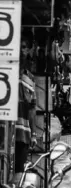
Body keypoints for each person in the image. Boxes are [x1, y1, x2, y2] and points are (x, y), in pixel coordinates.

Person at [15, 37, 37, 173]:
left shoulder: (30, 78)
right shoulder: (6, 73)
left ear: (29, 50)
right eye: (19, 47)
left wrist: (34, 134)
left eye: (24, 47)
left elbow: (32, 108)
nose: (21, 50)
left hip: (23, 134)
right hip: (5, 131)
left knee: (18, 173)